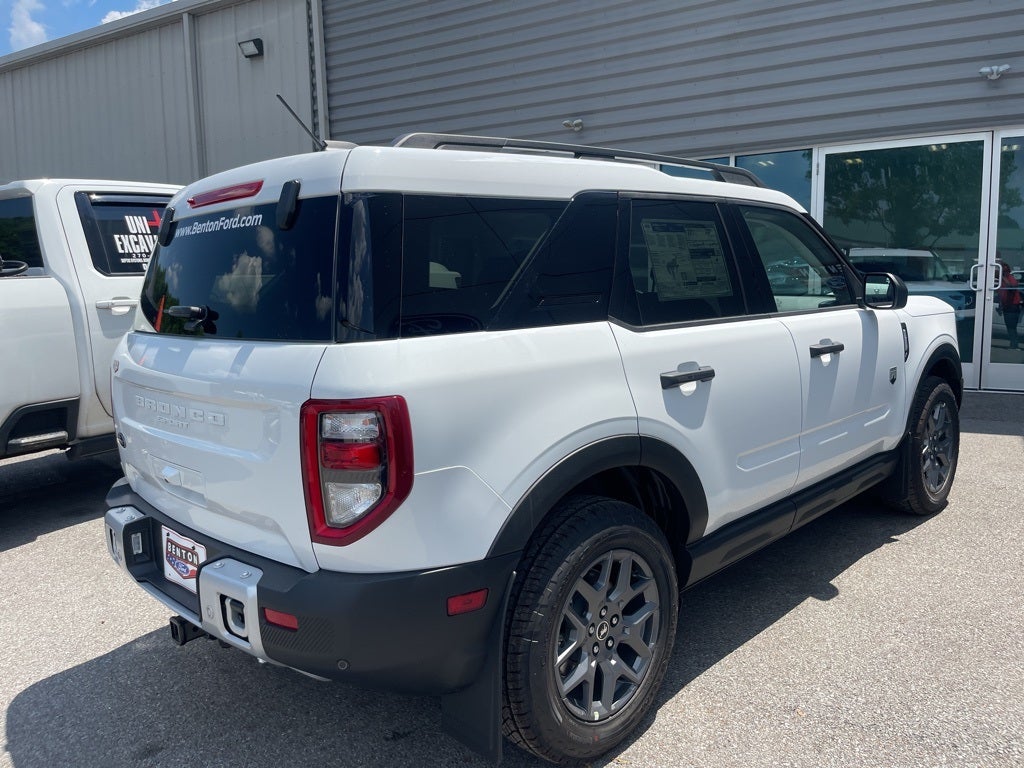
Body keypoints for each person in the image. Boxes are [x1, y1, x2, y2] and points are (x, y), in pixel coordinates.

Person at [997, 259, 1022, 350]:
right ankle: (1013, 344)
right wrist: (1000, 306)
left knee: (1011, 327)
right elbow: (1001, 294)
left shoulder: (1010, 278)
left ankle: (1014, 345)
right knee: (1009, 327)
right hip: (1007, 306)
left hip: (1012, 306)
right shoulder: (1001, 281)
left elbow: (1012, 288)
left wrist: (1003, 277)